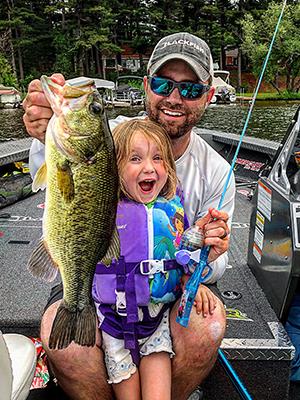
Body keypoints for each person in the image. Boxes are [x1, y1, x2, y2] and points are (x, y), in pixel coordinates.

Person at [23, 32, 235, 400]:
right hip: (91, 271)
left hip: (168, 283)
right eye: (163, 84)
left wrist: (207, 254)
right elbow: (55, 175)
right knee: (65, 344)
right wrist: (44, 132)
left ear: (209, 95)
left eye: (189, 89)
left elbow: (217, 264)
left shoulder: (216, 171)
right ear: (145, 85)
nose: (173, 98)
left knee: (209, 326)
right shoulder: (112, 134)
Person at [92, 118, 219, 399]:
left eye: (158, 158)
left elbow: (182, 255)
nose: (149, 167)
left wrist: (192, 279)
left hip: (156, 323)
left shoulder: (171, 210)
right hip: (115, 325)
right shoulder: (103, 210)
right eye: (135, 158)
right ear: (113, 168)